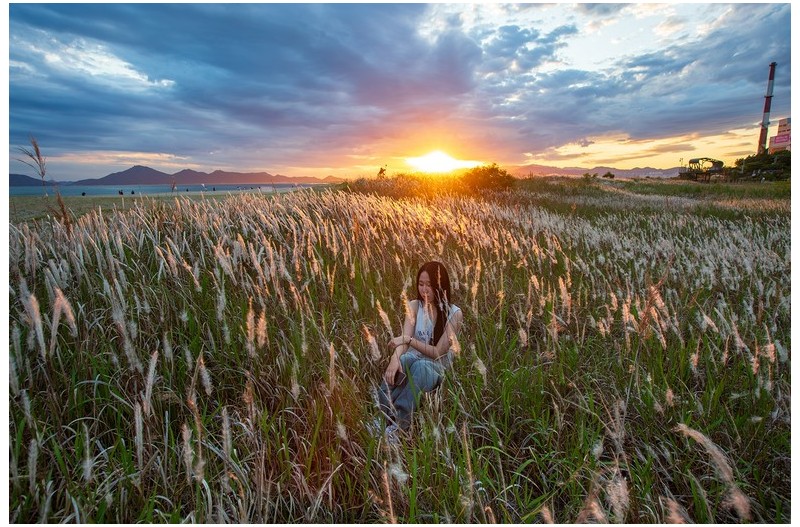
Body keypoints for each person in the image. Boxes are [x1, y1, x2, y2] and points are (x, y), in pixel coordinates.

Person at [375, 261, 463, 441]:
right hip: (414, 362)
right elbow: (404, 343)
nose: (424, 290)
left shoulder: (454, 314)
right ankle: (380, 418)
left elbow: (438, 352)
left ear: (440, 286)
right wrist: (394, 358)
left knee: (420, 365)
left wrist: (409, 340)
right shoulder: (414, 306)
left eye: (429, 285)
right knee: (405, 359)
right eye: (421, 284)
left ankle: (399, 425)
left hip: (436, 368)